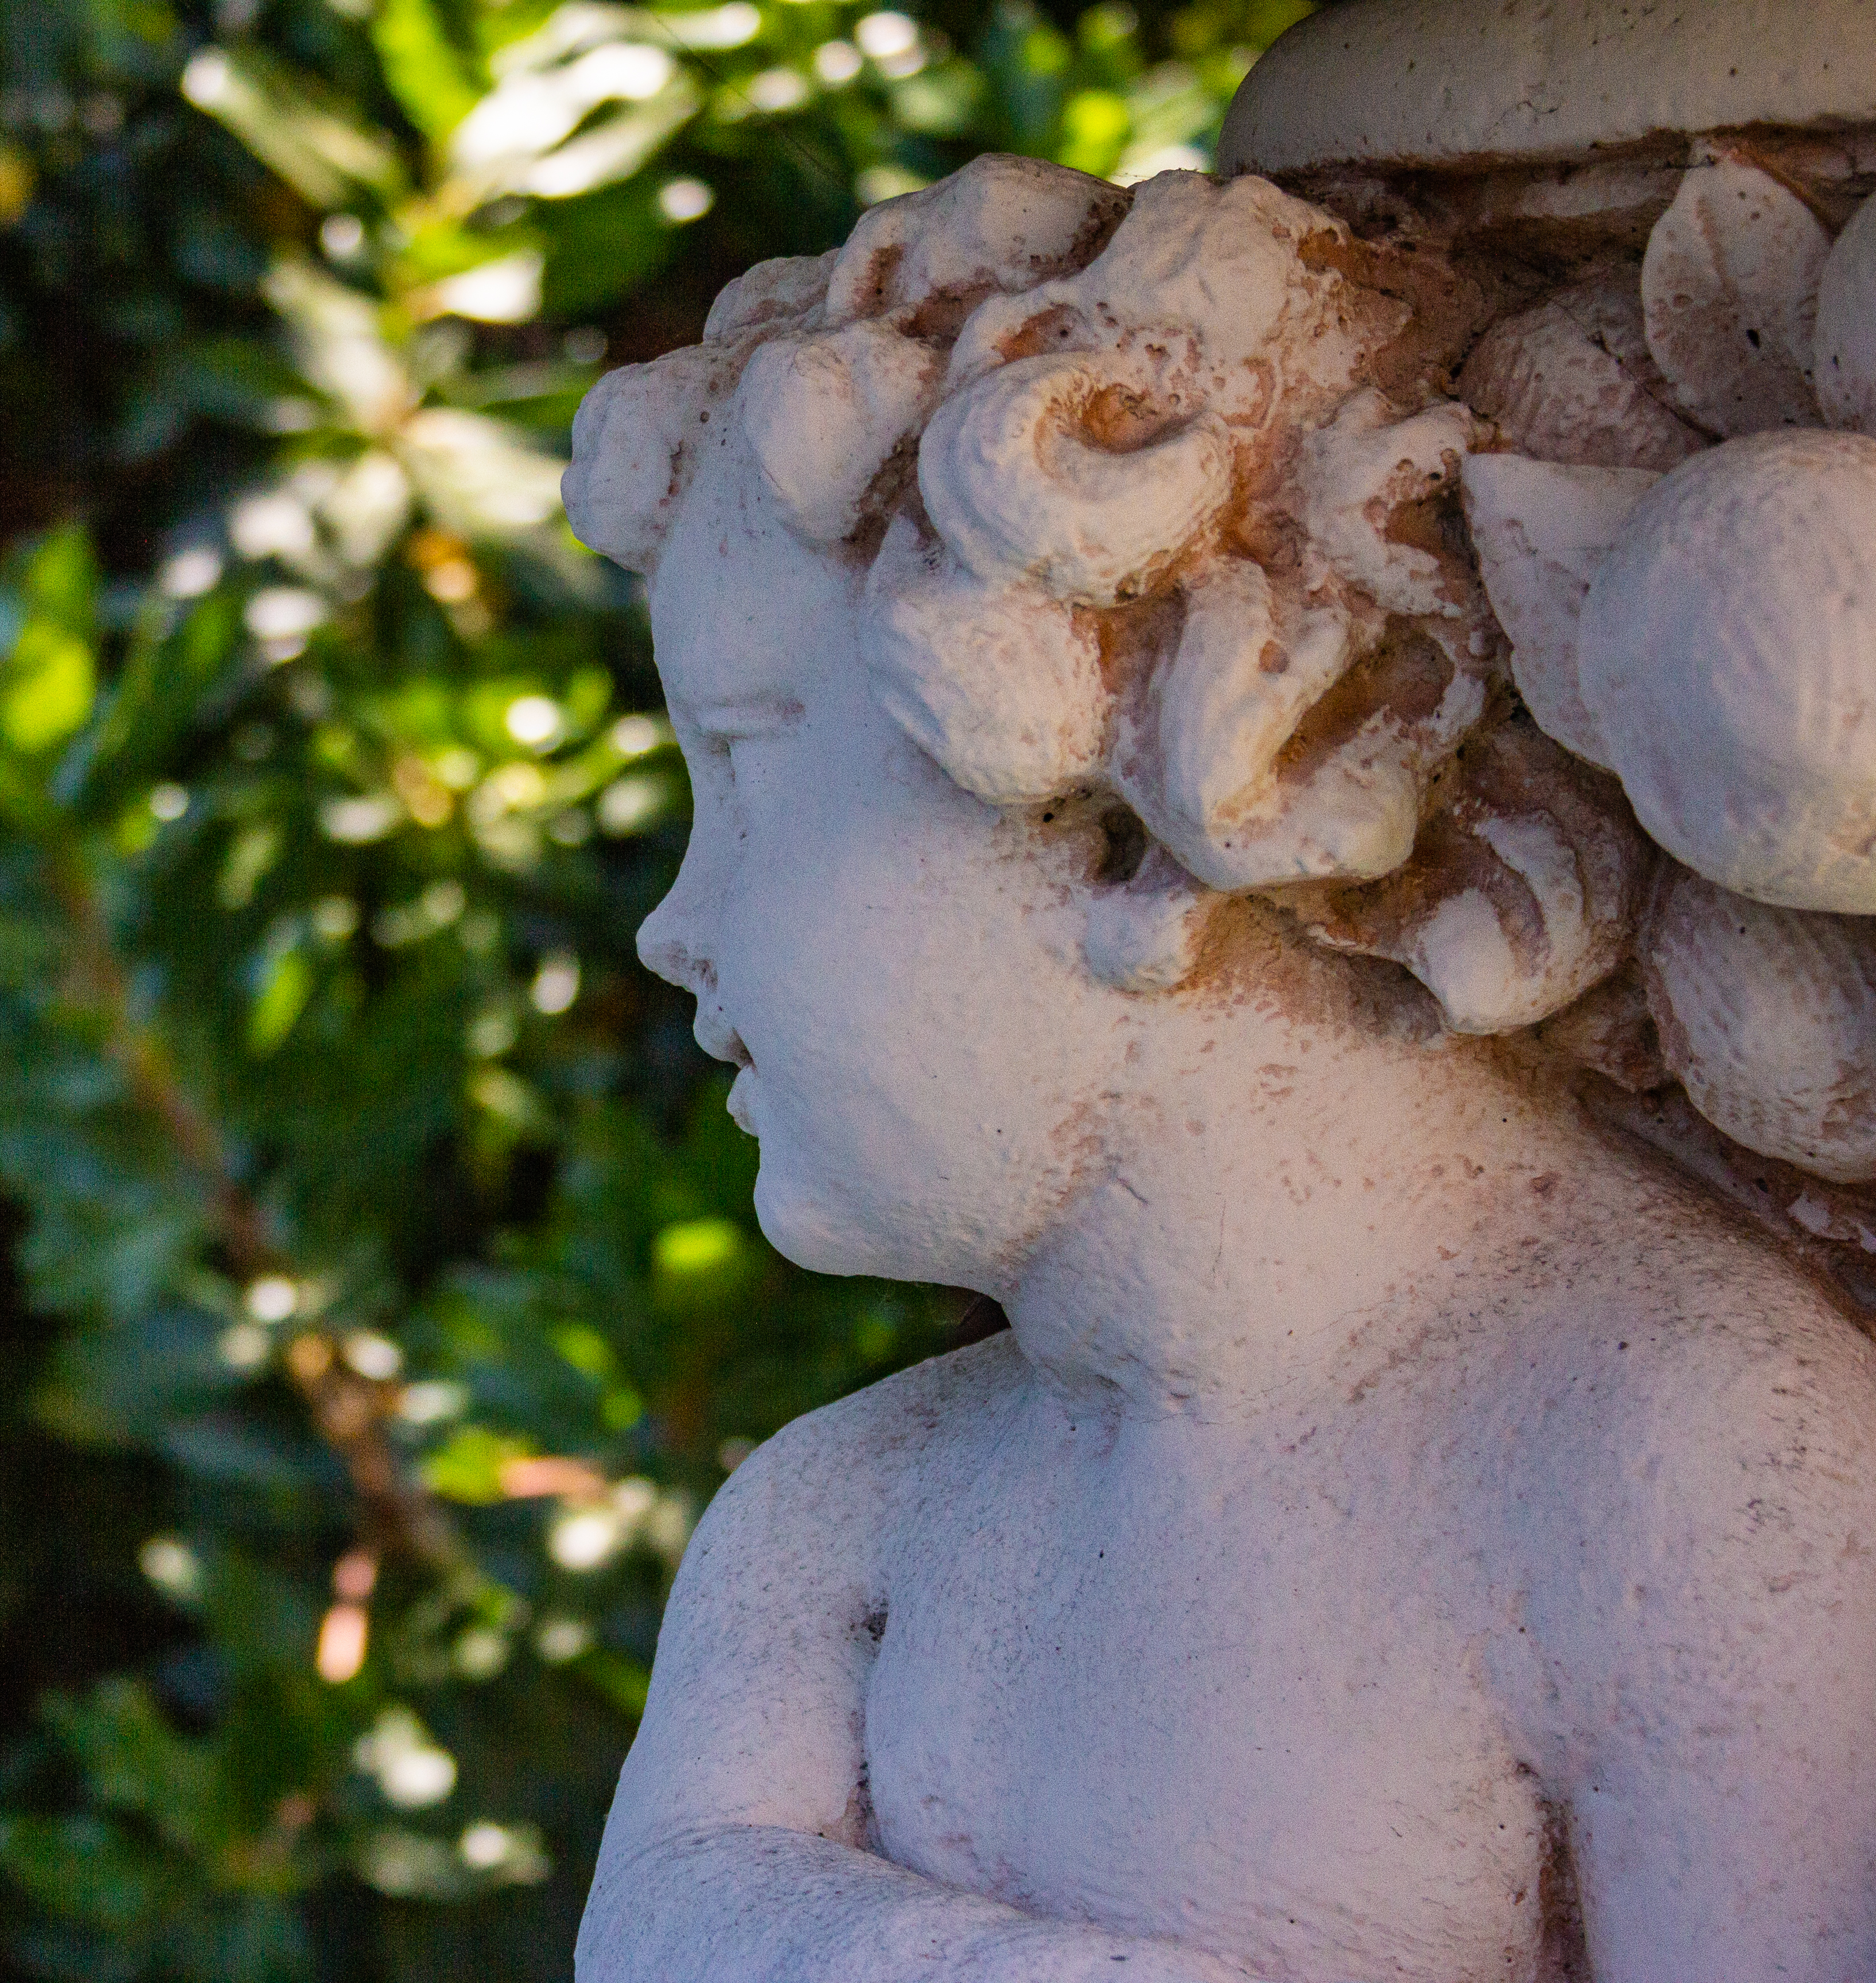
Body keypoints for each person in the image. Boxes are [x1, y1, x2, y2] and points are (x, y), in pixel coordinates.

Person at [563, 157, 1876, 1983]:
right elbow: (663, 1920)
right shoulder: (840, 1519)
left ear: (1137, 822)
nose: (675, 926)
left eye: (751, 761)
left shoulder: (1687, 1478)